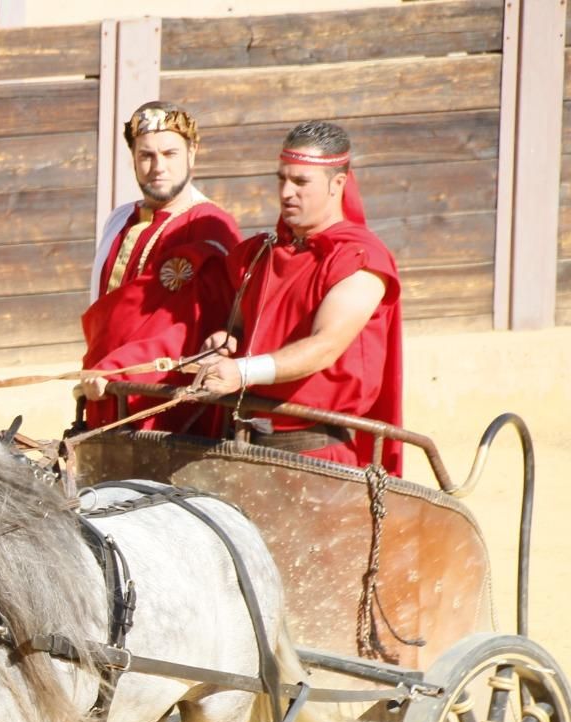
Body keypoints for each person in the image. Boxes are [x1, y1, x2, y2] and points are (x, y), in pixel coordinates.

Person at [192, 120, 404, 474]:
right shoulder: (260, 253)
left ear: (338, 184)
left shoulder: (361, 260)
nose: (287, 192)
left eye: (301, 182)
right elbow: (241, 330)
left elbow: (325, 346)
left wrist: (242, 371)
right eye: (281, 179)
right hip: (238, 446)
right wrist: (226, 341)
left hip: (315, 460)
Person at [78, 101, 240, 431]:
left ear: (192, 153)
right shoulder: (119, 219)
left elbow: (184, 330)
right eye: (146, 156)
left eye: (169, 154)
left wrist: (115, 371)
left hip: (169, 410)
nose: (158, 167)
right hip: (103, 391)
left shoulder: (210, 225)